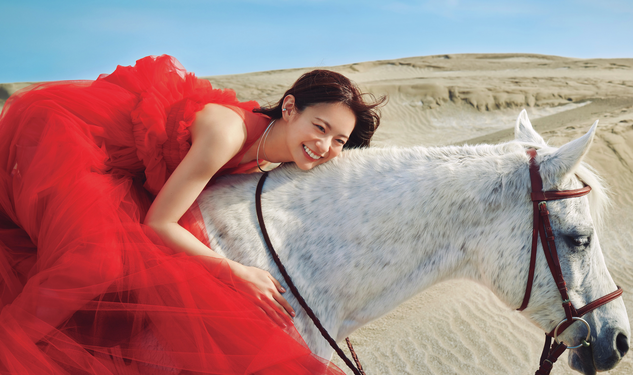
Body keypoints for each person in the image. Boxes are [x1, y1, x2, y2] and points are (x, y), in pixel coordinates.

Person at [0, 55, 385, 374]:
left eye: (339, 141)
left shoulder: (263, 158)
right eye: (320, 127)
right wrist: (235, 271)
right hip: (79, 143)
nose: (325, 146)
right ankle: (9, 346)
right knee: (98, 261)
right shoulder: (228, 134)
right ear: (289, 108)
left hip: (127, 175)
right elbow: (158, 223)